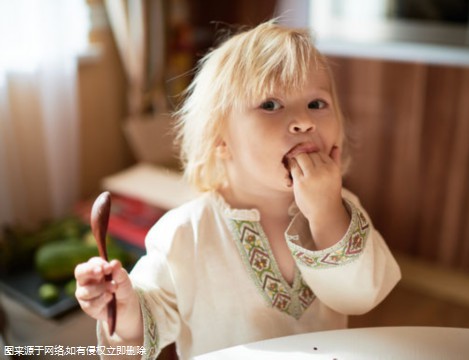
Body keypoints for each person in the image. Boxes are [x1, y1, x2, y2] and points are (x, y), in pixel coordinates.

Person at [74, 19, 401, 360]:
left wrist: (326, 213)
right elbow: (148, 323)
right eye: (271, 105)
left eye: (317, 104)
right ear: (221, 140)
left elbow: (361, 297)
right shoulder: (186, 232)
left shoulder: (343, 210)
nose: (304, 121)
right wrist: (123, 307)